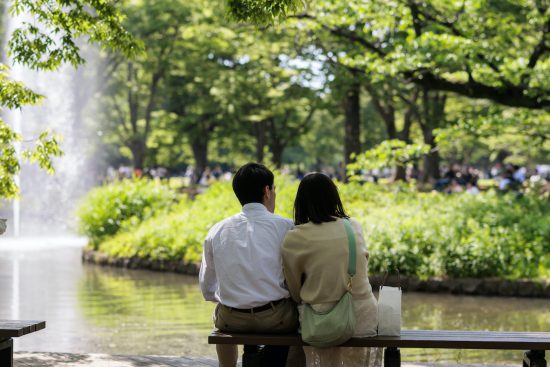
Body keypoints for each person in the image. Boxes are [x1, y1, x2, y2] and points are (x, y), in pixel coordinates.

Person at [199, 163, 300, 367]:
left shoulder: (217, 230)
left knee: (220, 310)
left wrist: (238, 297)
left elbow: (207, 290)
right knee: (300, 319)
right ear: (267, 191)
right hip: (276, 319)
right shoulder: (287, 227)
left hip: (231, 319)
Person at [282, 173, 382, 367]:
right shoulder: (353, 227)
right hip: (362, 317)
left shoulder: (296, 237)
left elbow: (294, 289)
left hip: (321, 321)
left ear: (301, 202)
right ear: (334, 197)